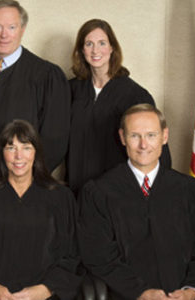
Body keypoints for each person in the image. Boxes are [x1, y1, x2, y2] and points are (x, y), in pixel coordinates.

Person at [77, 104, 195, 300]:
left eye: (151, 135)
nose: (143, 145)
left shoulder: (191, 190)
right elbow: (99, 256)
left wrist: (192, 290)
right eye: (135, 136)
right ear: (122, 138)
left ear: (164, 136)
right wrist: (140, 292)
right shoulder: (98, 193)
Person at [0, 120, 83, 300]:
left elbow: (72, 255)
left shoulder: (60, 197)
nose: (18, 156)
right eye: (11, 148)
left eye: (26, 147)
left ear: (36, 152)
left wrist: (45, 290)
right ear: (1, 153)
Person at [0, 0, 70, 187]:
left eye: (11, 27)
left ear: (23, 28)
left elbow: (55, 139)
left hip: (18, 185)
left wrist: (26, 179)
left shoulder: (46, 75)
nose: (4, 35)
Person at [67, 19, 171, 194]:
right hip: (76, 189)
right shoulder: (71, 91)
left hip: (118, 193)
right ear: (81, 50)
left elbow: (157, 149)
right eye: (89, 44)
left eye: (102, 43)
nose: (95, 50)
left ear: (112, 48)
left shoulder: (134, 95)